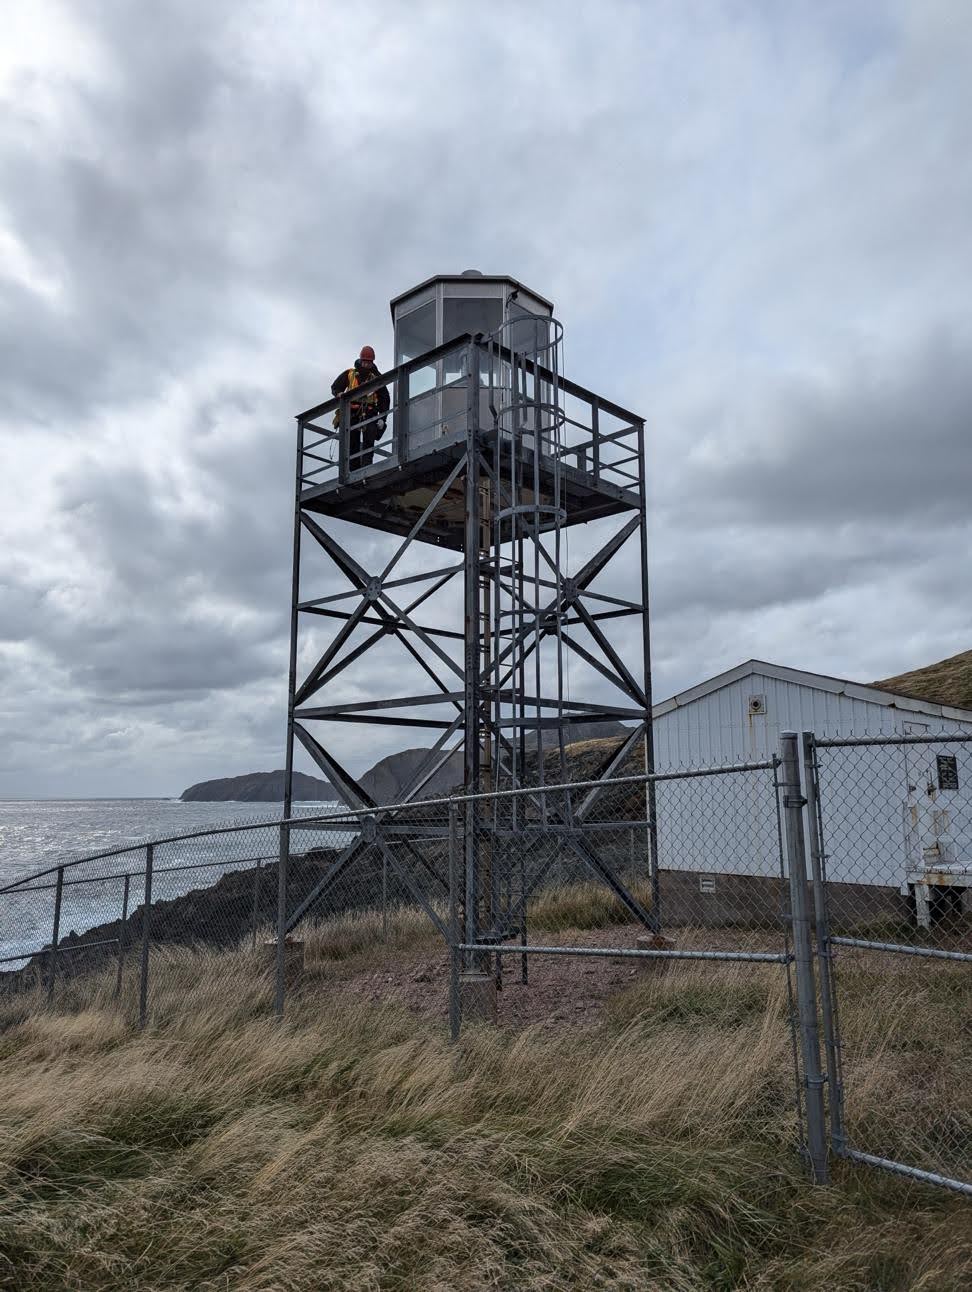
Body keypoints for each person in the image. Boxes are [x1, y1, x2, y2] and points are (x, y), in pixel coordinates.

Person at [330, 345, 390, 470]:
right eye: (365, 362)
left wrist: (382, 418)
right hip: (352, 413)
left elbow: (385, 398)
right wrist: (339, 394)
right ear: (360, 360)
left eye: (369, 362)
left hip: (370, 413)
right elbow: (335, 387)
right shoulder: (350, 374)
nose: (366, 365)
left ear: (372, 362)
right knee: (352, 443)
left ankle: (367, 469)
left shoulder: (377, 377)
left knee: (369, 441)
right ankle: (353, 471)